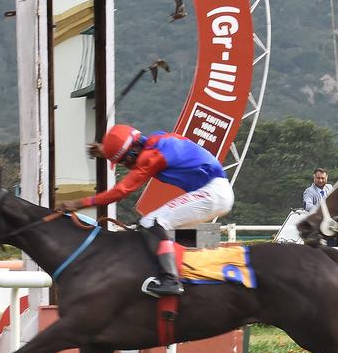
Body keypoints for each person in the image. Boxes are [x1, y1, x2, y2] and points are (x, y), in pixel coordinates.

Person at [57, 124, 233, 298]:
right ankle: (210, 240)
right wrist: (108, 151)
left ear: (133, 151)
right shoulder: (155, 141)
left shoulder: (153, 157)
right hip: (215, 191)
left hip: (212, 193)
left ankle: (170, 280)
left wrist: (78, 204)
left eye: (124, 161)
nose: (126, 166)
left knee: (151, 222)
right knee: (159, 232)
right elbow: (135, 153)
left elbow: (120, 192)